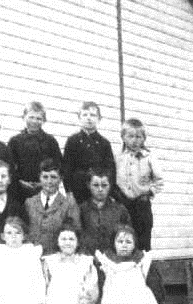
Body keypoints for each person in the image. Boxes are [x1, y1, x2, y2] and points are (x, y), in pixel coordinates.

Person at [114, 118, 164, 252]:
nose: (135, 140)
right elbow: (112, 179)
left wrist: (149, 193)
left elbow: (159, 181)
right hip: (122, 205)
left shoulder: (149, 157)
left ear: (144, 139)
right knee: (123, 239)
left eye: (138, 137)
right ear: (123, 137)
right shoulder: (117, 157)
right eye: (130, 136)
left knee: (142, 243)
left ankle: (143, 270)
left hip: (142, 206)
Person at [62, 101, 116, 205]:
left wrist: (108, 194)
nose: (89, 118)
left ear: (99, 118)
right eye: (85, 115)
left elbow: (110, 170)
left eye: (93, 115)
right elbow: (66, 169)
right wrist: (69, 193)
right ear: (79, 117)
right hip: (78, 192)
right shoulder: (73, 141)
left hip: (98, 193)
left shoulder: (104, 143)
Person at [7, 101, 62, 202]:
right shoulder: (15, 141)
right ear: (24, 117)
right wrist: (20, 182)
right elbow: (9, 167)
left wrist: (44, 183)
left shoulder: (50, 141)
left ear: (44, 120)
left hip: (45, 189)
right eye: (31, 117)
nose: (34, 121)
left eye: (38, 118)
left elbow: (58, 165)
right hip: (20, 190)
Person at [25, 158, 80, 254]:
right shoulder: (29, 203)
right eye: (45, 177)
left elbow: (75, 232)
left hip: (57, 257)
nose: (49, 181)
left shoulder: (68, 204)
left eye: (53, 177)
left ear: (60, 179)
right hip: (32, 256)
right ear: (39, 178)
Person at [78, 168, 131, 255]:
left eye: (104, 185)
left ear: (110, 185)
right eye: (95, 185)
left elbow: (128, 235)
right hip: (88, 257)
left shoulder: (120, 210)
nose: (100, 189)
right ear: (88, 185)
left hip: (113, 258)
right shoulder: (82, 209)